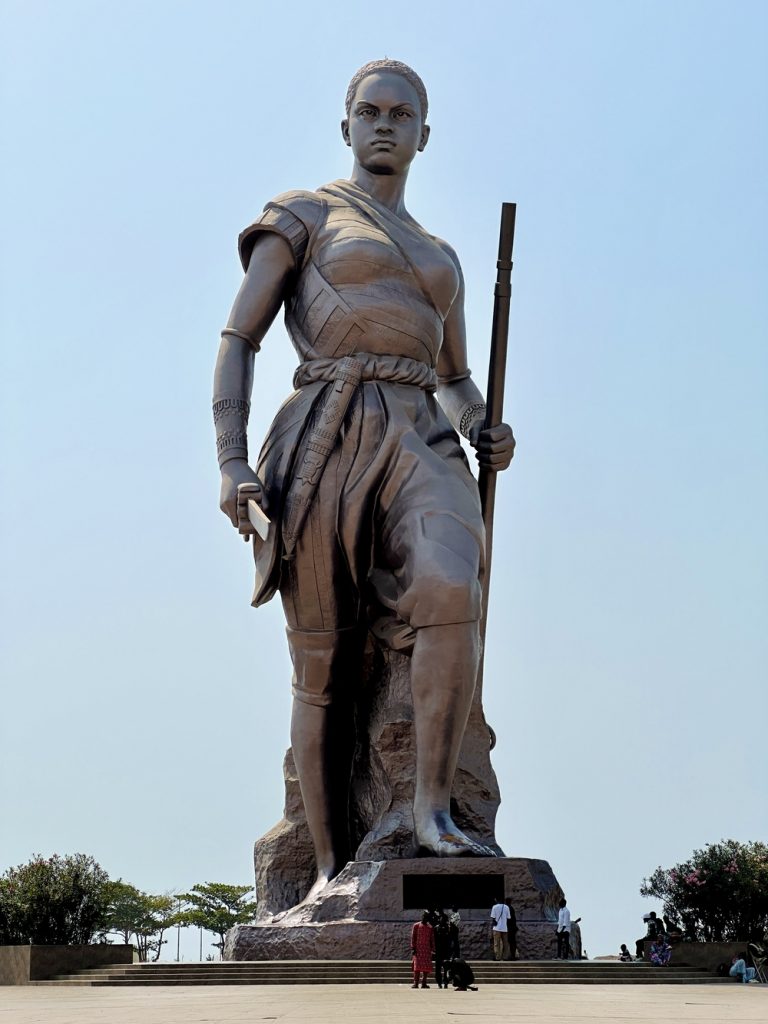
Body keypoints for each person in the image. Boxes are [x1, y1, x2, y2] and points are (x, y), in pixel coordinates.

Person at [213, 59, 516, 906]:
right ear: (346, 126)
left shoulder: (442, 256)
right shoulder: (304, 216)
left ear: (425, 133)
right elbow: (240, 338)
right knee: (323, 662)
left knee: (454, 585)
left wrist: (481, 421)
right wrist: (232, 460)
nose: (385, 125)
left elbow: (454, 378)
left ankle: (432, 813)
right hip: (326, 431)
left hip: (421, 434)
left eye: (402, 114)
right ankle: (322, 866)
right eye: (369, 111)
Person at [410, 911, 435, 988]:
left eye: (426, 916)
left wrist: (433, 949)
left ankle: (424, 983)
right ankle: (416, 983)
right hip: (418, 949)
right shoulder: (416, 926)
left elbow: (432, 939)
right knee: (416, 967)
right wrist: (413, 948)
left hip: (427, 950)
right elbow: (413, 937)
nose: (424, 918)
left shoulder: (430, 927)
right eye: (423, 916)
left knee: (426, 968)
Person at [433, 909, 451, 988]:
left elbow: (451, 939)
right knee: (438, 968)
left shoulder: (448, 928)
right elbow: (433, 939)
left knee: (446, 968)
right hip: (438, 950)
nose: (441, 920)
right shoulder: (436, 928)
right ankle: (439, 982)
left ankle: (446, 982)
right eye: (440, 918)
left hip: (446, 950)